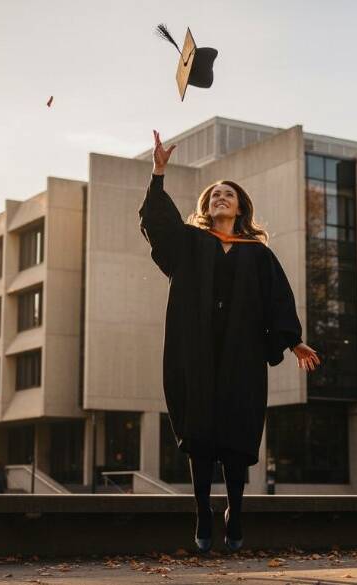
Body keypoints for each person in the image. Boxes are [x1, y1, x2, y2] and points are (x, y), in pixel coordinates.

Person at [139, 130, 321, 553]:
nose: (220, 197)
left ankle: (234, 510)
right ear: (206, 206)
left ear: (240, 207)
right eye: (214, 194)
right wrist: (159, 171)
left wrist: (293, 342)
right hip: (195, 351)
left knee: (238, 430)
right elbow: (158, 224)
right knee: (199, 429)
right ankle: (203, 510)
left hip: (241, 354)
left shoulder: (257, 253)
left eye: (228, 194)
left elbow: (278, 298)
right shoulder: (189, 242)